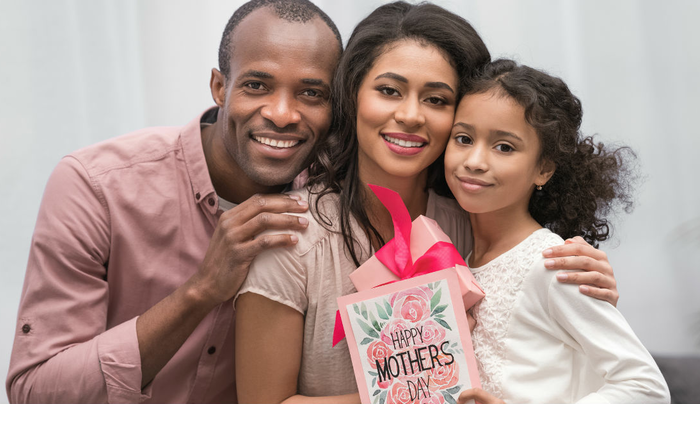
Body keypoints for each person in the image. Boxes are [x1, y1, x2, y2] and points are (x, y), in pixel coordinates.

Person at [235, 1, 621, 404]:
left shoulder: (475, 225)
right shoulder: (290, 239)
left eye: (436, 100)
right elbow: (264, 412)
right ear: (351, 95)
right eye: (388, 91)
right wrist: (411, 394)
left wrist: (584, 291)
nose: (411, 115)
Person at [6, 0, 343, 403]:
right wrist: (200, 291)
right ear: (220, 87)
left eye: (310, 93)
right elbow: (36, 395)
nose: (283, 114)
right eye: (257, 85)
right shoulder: (95, 185)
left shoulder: (333, 206)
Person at [448, 60, 669, 403]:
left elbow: (646, 389)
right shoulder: (460, 260)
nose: (475, 160)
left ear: (544, 169)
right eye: (463, 138)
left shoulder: (555, 264)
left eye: (504, 147)